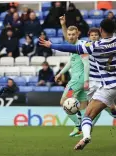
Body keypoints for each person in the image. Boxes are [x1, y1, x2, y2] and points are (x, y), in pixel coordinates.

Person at [39, 18, 116, 150]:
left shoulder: (94, 46)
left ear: (101, 30)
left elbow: (70, 47)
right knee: (110, 108)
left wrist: (52, 45)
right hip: (104, 85)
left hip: (107, 86)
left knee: (88, 115)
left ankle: (85, 135)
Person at [54, 16, 89, 137]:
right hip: (81, 81)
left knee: (64, 102)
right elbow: (71, 62)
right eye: (69, 34)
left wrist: (86, 80)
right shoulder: (74, 46)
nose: (71, 36)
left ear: (78, 34)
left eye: (73, 34)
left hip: (77, 80)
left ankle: (78, 126)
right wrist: (60, 73)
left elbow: (86, 64)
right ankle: (85, 131)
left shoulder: (81, 46)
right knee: (83, 106)